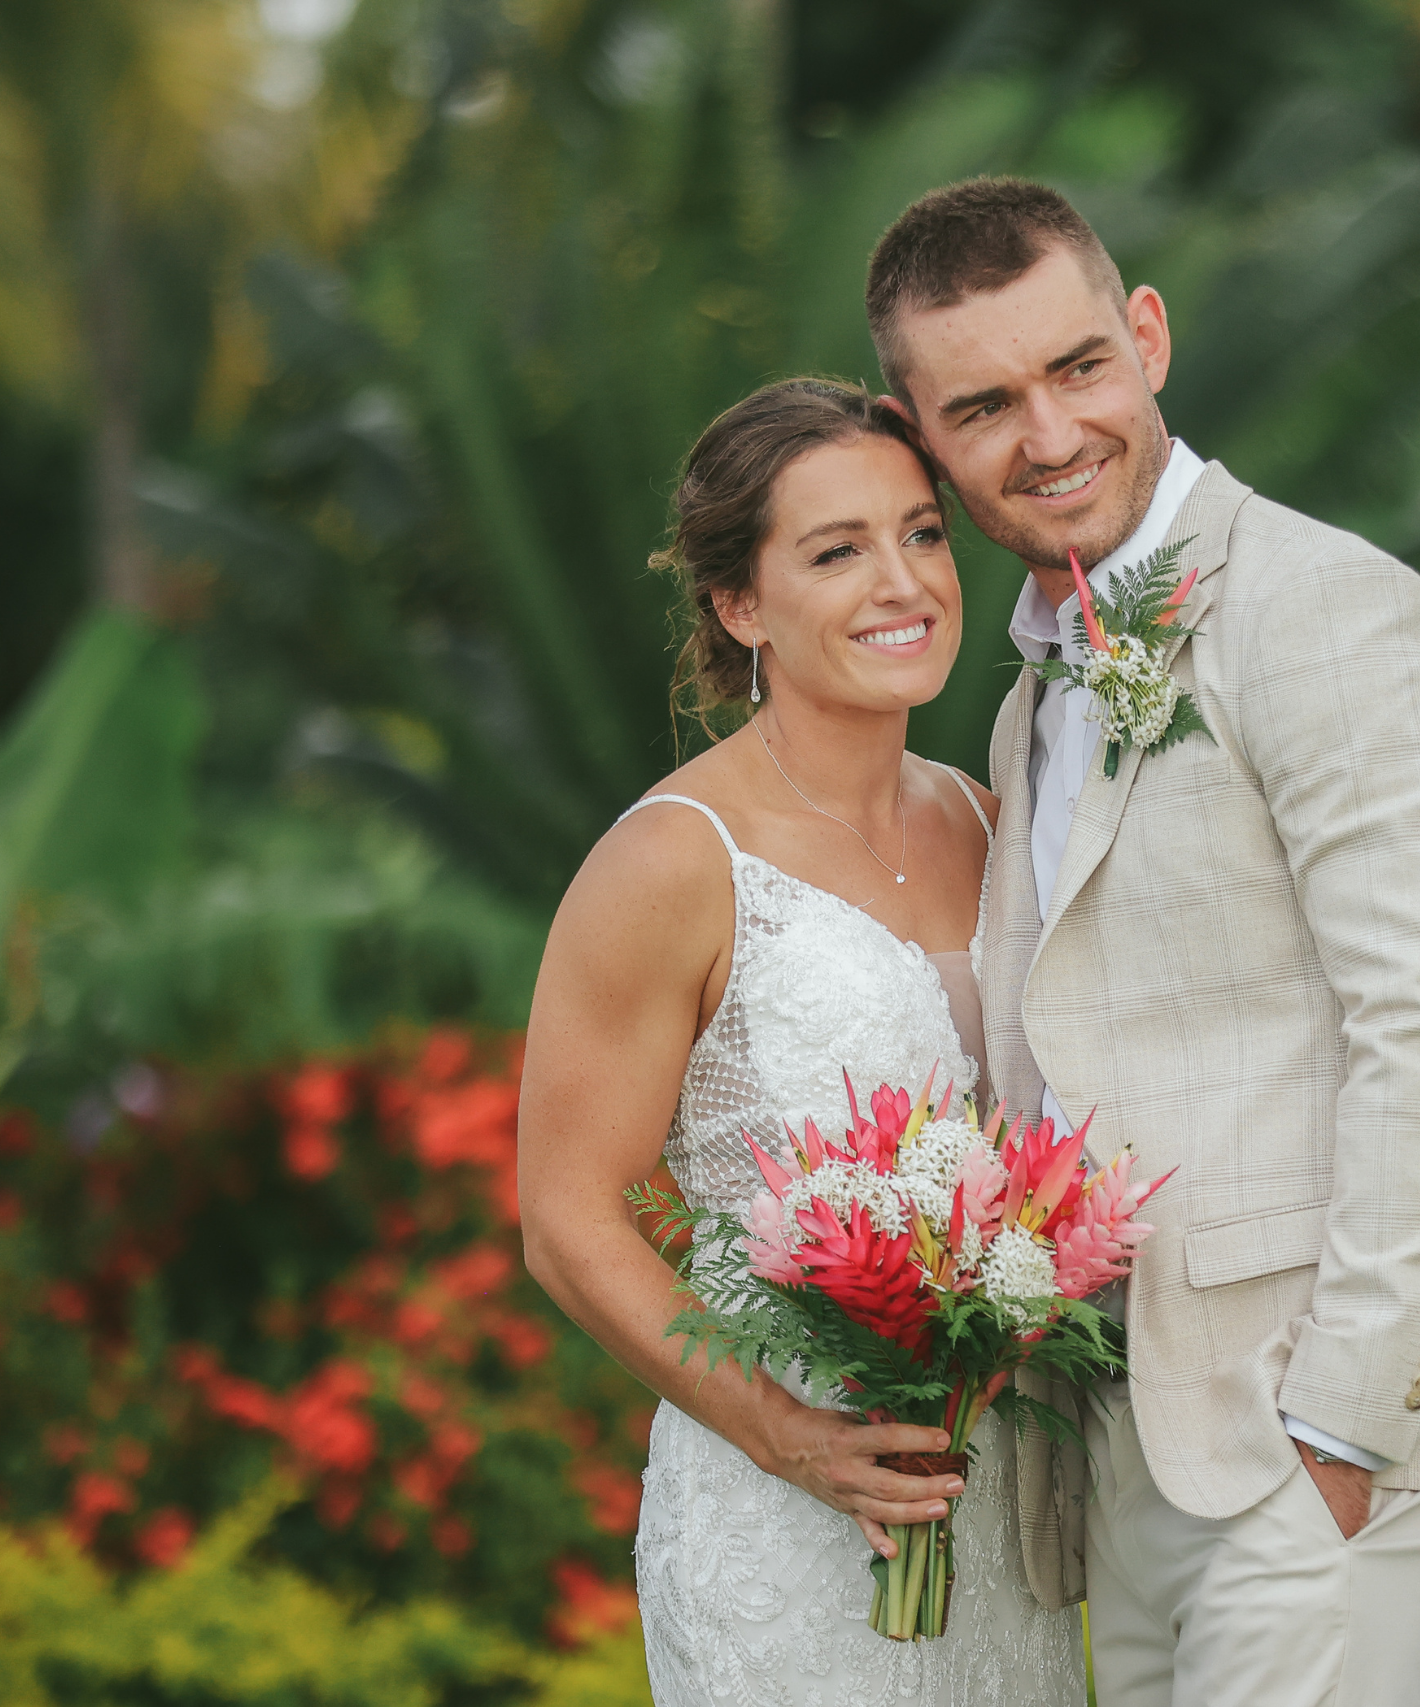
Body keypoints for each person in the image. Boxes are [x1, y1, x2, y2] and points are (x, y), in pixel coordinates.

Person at [867, 178, 1420, 1706]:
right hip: (1125, 1447)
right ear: (917, 431)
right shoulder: (1025, 696)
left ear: (1148, 335)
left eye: (1077, 370)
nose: (1050, 435)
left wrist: (1340, 1430)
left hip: (1305, 1436)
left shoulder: (1327, 609)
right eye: (985, 403)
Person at [514, 379, 1085, 1706]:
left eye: (923, 533)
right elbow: (566, 1215)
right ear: (741, 603)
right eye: (837, 551)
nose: (903, 581)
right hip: (781, 1512)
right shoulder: (673, 860)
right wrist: (788, 1436)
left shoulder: (1004, 828)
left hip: (1001, 1506)